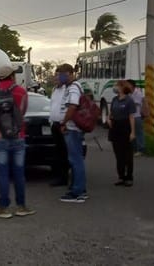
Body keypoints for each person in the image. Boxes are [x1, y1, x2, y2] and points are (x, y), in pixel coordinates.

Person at [0, 64, 35, 219]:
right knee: (19, 173)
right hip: (18, 137)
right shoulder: (21, 92)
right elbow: (23, 112)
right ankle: (21, 206)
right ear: (12, 76)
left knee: (3, 174)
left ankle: (3, 207)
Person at [56, 63, 89, 203]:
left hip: (73, 129)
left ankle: (78, 192)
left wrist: (64, 122)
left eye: (60, 74)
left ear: (69, 73)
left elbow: (72, 107)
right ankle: (78, 188)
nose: (59, 77)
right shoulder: (70, 87)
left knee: (76, 160)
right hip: (72, 128)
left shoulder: (74, 88)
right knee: (75, 160)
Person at [108, 80, 136, 187]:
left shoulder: (129, 101)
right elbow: (111, 113)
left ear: (122, 87)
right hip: (115, 128)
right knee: (118, 154)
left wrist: (132, 132)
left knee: (127, 154)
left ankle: (129, 177)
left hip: (126, 127)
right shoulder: (115, 99)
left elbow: (131, 117)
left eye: (117, 85)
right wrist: (109, 119)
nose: (115, 87)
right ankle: (121, 176)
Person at [49, 69, 70, 187]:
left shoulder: (67, 89)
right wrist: (51, 121)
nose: (56, 78)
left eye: (58, 76)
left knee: (65, 152)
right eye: (55, 76)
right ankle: (59, 177)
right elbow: (52, 105)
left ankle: (64, 177)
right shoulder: (54, 90)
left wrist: (64, 122)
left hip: (63, 125)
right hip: (55, 124)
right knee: (58, 152)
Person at [127, 79, 145, 156]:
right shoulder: (129, 94)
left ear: (132, 86)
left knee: (138, 133)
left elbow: (134, 104)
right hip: (130, 117)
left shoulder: (138, 93)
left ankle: (141, 150)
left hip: (137, 116)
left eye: (127, 85)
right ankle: (134, 149)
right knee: (131, 133)